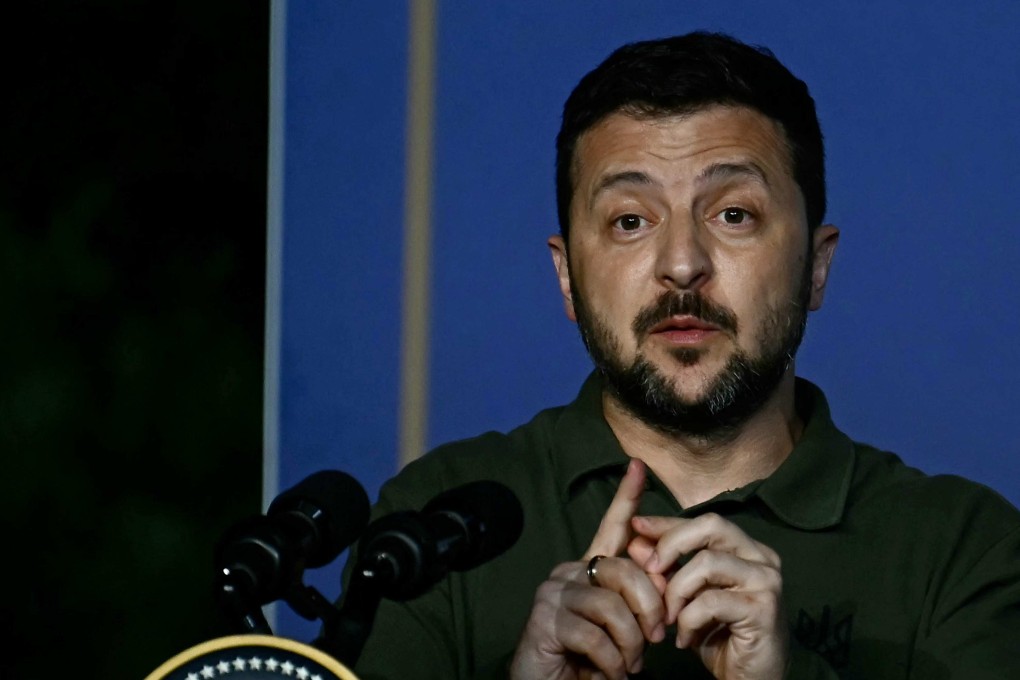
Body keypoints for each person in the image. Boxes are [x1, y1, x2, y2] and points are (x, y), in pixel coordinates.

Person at [343, 32, 1020, 679]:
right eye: (630, 221)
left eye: (733, 214)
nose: (682, 264)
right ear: (566, 279)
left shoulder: (964, 548)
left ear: (816, 266)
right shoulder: (439, 524)